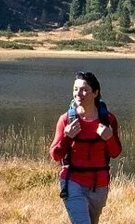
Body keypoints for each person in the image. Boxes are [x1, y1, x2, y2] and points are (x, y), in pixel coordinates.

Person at [50, 71, 122, 224]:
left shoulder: (108, 120)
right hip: (72, 181)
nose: (78, 94)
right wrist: (67, 136)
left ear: (95, 93)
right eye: (76, 89)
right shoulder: (66, 120)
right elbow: (55, 155)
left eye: (84, 89)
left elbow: (115, 152)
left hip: (99, 185)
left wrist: (109, 138)